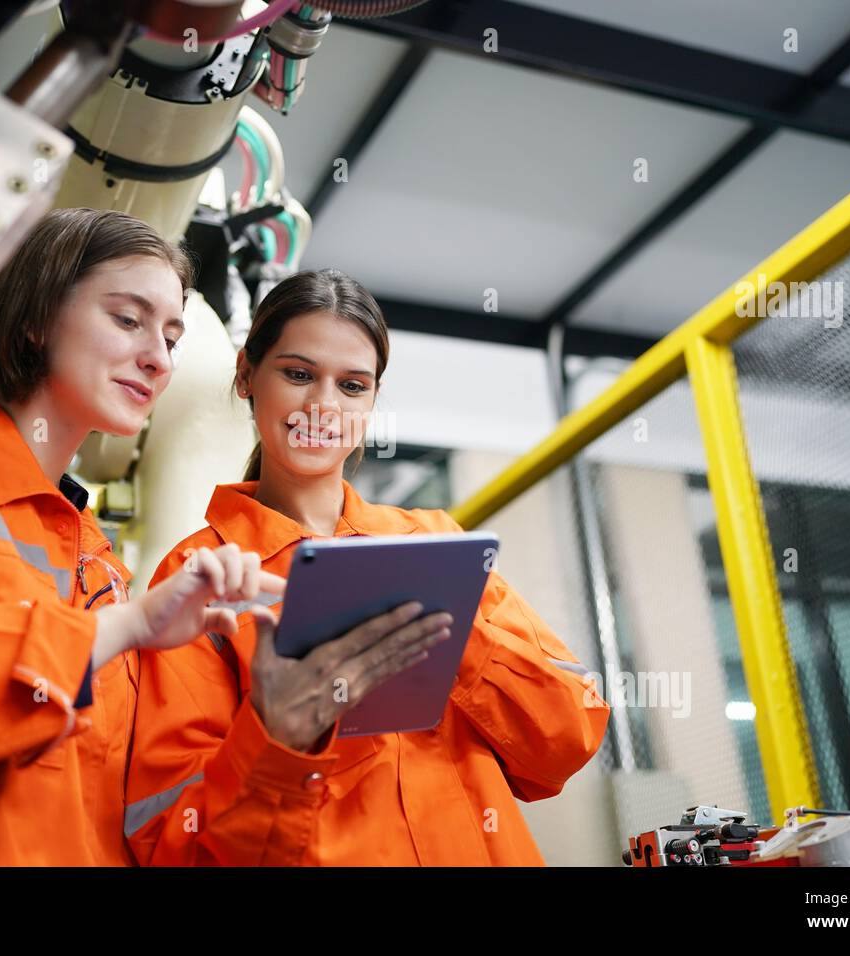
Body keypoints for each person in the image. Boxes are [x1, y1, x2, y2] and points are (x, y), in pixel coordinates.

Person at [0, 210, 435, 865]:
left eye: (170, 338)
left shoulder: (96, 562)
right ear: (37, 318)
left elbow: (148, 838)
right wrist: (120, 630)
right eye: (129, 319)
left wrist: (278, 734)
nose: (159, 359)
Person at [126, 269, 611, 866]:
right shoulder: (203, 577)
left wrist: (456, 635)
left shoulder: (435, 544)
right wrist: (279, 738)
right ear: (247, 376)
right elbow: (171, 837)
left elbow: (566, 743)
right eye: (298, 374)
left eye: (352, 386)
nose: (323, 406)